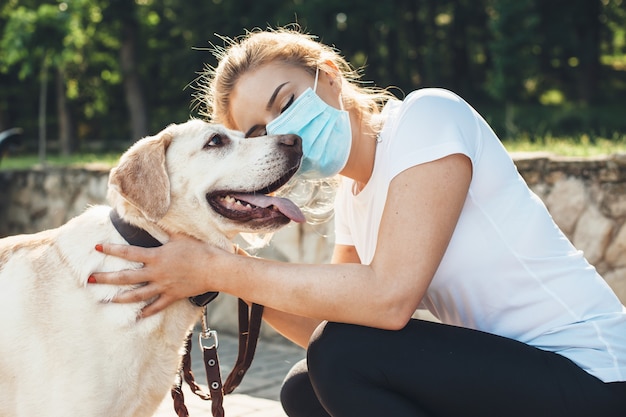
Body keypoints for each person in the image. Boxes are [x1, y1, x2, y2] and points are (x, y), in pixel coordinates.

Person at [90, 27, 626, 416]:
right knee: (305, 388)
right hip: (519, 377)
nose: (281, 131)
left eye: (286, 102)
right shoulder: (355, 195)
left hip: (594, 375)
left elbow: (388, 298)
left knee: (341, 358)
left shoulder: (428, 118)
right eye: (259, 131)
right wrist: (222, 272)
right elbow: (329, 328)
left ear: (329, 76)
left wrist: (218, 270)